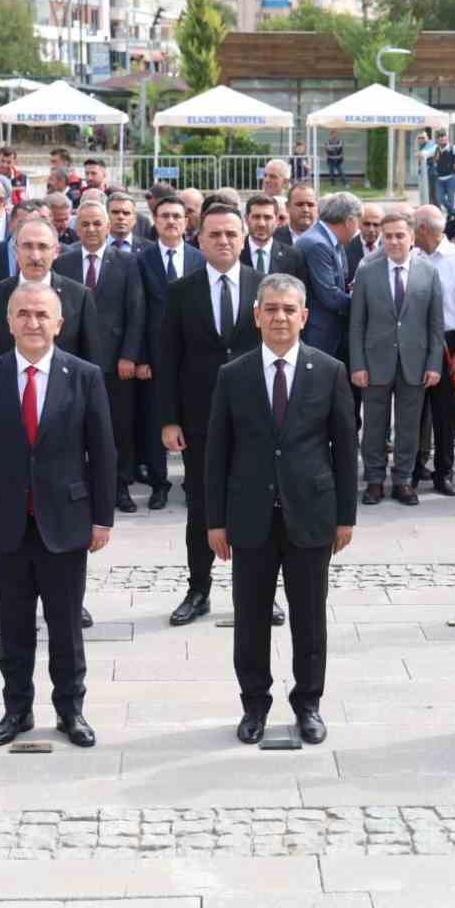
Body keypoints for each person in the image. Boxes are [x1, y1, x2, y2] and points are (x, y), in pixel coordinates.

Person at [205, 272, 357, 746]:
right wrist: (215, 521)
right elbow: (217, 452)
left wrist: (345, 516)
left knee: (309, 616)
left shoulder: (328, 370)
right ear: (256, 316)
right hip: (250, 517)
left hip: (310, 514)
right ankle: (254, 704)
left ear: (304, 316)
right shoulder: (234, 374)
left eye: (289, 309)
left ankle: (308, 703)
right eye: (270, 309)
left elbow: (344, 448)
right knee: (249, 618)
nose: (279, 317)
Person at [0, 281, 115, 749]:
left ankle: (71, 710)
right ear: (8, 323)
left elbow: (102, 452)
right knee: (13, 624)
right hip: (6, 520)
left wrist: (102, 518)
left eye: (42, 315)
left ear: (59, 324)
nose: (33, 323)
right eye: (23, 315)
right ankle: (17, 709)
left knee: (66, 625)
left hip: (65, 523)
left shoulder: (84, 375)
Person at [157, 203, 268, 629]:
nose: (223, 241)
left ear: (244, 239)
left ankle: (256, 592)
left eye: (231, 234)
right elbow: (168, 358)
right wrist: (169, 419)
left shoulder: (265, 286)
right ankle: (198, 588)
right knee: (201, 506)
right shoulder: (181, 291)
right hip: (200, 419)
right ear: (198, 240)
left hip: (256, 418)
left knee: (257, 507)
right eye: (214, 234)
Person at [54, 199, 144, 513]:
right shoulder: (62, 262)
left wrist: (129, 356)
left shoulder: (128, 261)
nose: (91, 229)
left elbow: (136, 311)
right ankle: (78, 487)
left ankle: (119, 486)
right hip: (72, 362)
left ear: (108, 227)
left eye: (97, 223)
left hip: (114, 363)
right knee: (73, 426)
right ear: (76, 228)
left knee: (118, 427)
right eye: (85, 224)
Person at [348, 211, 444, 507]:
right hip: (375, 362)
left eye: (399, 235)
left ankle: (403, 480)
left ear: (412, 237)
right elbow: (357, 323)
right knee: (374, 424)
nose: (393, 241)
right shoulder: (367, 271)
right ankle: (375, 480)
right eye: (388, 236)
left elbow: (435, 324)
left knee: (408, 425)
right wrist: (358, 364)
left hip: (415, 363)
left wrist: (433, 364)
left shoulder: (428, 272)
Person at [134, 194, 204, 509]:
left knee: (190, 417)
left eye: (177, 216)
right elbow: (136, 311)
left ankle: (193, 483)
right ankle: (159, 484)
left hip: (191, 354)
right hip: (154, 354)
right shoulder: (141, 259)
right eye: (165, 216)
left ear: (186, 221)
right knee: (153, 421)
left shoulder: (198, 258)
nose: (172, 221)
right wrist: (141, 357)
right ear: (155, 221)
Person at [412, 204, 455, 497]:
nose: (411, 232)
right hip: (415, 339)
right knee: (413, 408)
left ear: (424, 229)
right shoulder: (411, 256)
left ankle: (443, 471)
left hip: (448, 341)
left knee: (445, 412)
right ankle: (412, 467)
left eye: (413, 227)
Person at [0, 218, 97, 365]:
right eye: (27, 246)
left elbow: (90, 361)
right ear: (15, 250)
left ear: (56, 251)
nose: (35, 256)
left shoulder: (80, 297)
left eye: (43, 247)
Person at [293, 191, 360, 362]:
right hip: (319, 335)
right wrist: (363, 302)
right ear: (349, 221)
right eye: (358, 222)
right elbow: (329, 295)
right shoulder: (318, 244)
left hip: (331, 332)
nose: (357, 229)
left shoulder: (332, 242)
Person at [240, 193, 305, 278]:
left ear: (276, 220)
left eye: (267, 217)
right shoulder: (235, 253)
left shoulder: (293, 257)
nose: (261, 224)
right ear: (246, 219)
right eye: (256, 217)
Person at [429, 129, 455, 216]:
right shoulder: (435, 149)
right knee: (440, 199)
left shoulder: (453, 148)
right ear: (437, 140)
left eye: (443, 137)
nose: (442, 139)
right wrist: (422, 154)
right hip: (439, 179)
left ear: (447, 138)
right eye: (440, 137)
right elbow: (427, 153)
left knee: (451, 200)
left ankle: (452, 216)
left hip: (452, 178)